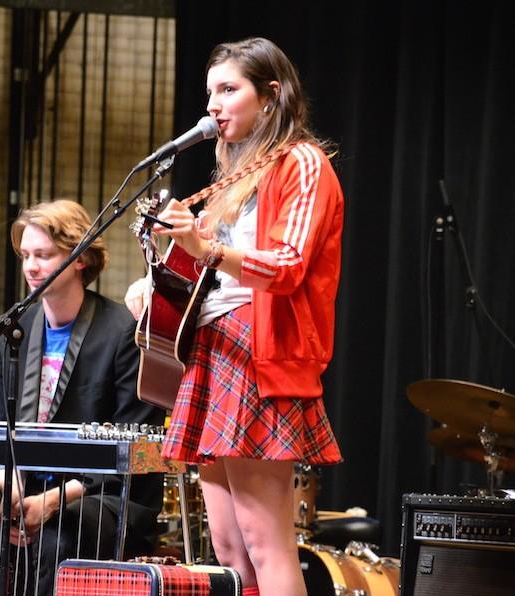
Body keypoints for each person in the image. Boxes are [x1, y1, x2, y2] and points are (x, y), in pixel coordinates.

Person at [124, 37, 343, 596]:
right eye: (209, 93)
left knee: (264, 538)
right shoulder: (233, 179)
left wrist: (206, 250)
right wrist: (152, 282)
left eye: (228, 89)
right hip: (214, 346)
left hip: (260, 349)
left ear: (271, 95)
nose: (213, 106)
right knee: (225, 544)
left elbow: (288, 266)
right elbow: (206, 272)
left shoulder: (302, 162)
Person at [0, 199, 165, 596]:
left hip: (104, 496)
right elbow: (5, 435)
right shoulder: (11, 332)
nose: (31, 266)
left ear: (81, 259)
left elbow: (134, 449)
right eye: (25, 255)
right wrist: (10, 485)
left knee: (56, 541)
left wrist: (50, 501)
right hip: (25, 489)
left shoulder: (124, 332)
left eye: (44, 255)